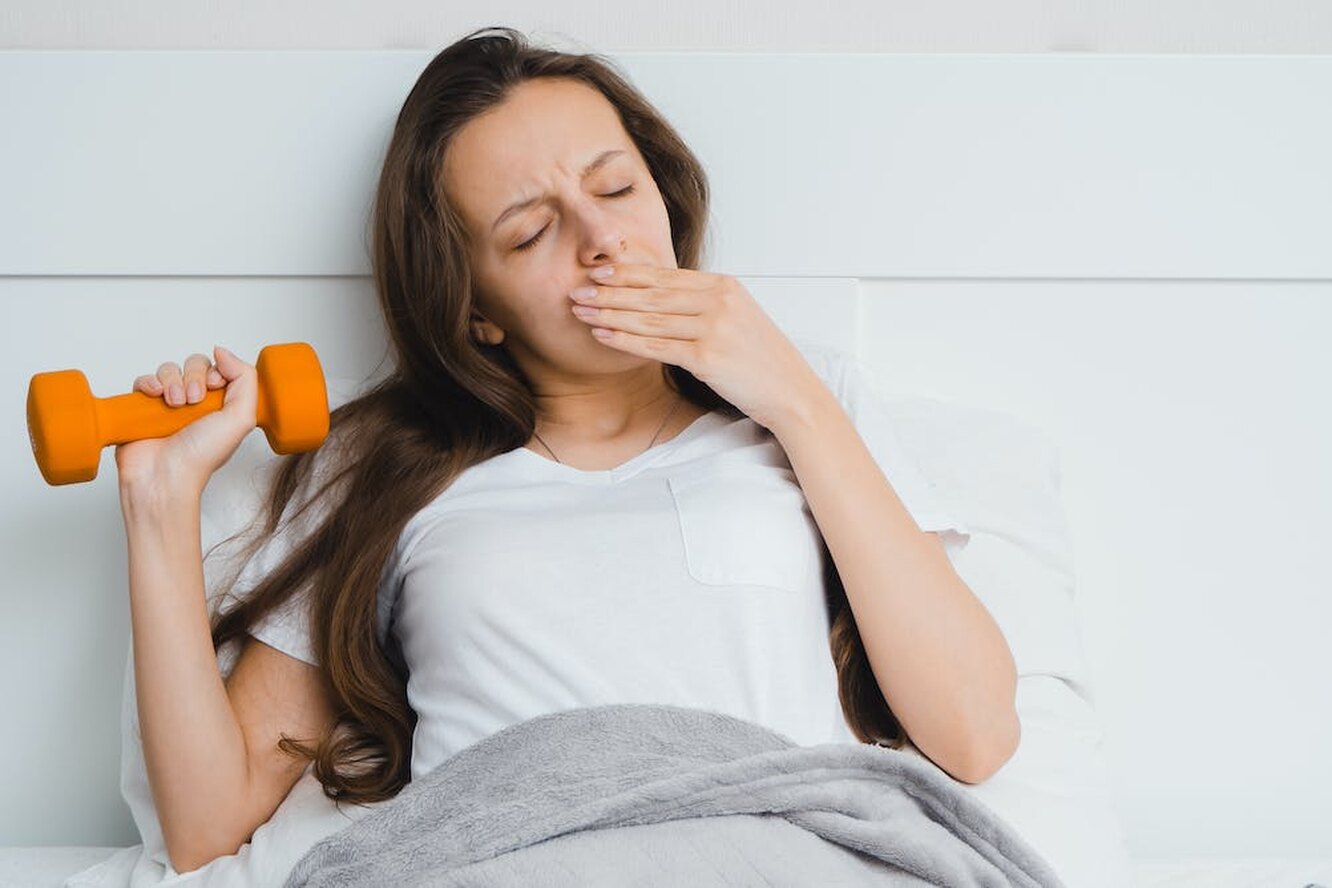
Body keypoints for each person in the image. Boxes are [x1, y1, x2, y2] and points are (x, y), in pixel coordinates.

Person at [113, 25, 1015, 875]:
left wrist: (792, 400)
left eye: (616, 189)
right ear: (476, 308)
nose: (602, 241)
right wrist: (160, 504)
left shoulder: (808, 400)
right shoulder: (380, 464)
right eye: (531, 232)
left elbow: (975, 735)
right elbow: (207, 827)